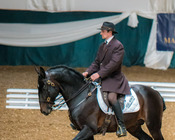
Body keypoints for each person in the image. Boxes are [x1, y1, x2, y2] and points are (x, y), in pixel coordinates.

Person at [82, 22, 130, 137]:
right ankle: (82, 121)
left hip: (114, 79)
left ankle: (121, 126)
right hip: (102, 77)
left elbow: (113, 65)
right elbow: (97, 62)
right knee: (87, 93)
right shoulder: (102, 46)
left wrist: (98, 74)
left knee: (111, 98)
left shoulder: (118, 46)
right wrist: (88, 72)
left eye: (102, 31)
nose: (100, 33)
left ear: (109, 32)